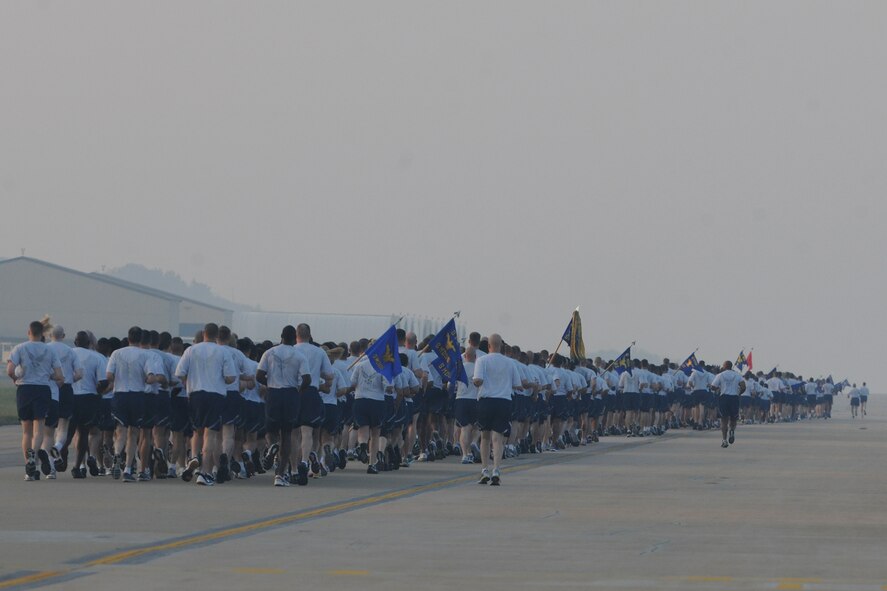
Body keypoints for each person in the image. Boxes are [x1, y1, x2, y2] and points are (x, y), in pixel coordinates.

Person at [175, 323, 237, 486]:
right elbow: (231, 377)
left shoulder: (191, 350)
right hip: (215, 394)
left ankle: (195, 456)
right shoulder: (223, 351)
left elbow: (179, 373)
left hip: (195, 394)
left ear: (203, 333)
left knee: (197, 431)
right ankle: (205, 472)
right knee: (211, 434)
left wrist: (188, 383)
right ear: (217, 335)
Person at [6, 320, 63, 480]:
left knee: (26, 431)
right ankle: (34, 456)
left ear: (28, 332)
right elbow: (59, 375)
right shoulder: (49, 350)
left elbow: (10, 369)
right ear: (42, 333)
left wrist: (15, 378)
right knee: (39, 429)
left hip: (24, 389)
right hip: (42, 389)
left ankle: (28, 469)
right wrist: (48, 375)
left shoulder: (19, 348)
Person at [255, 325, 310, 487]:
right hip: (290, 394)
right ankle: (280, 474)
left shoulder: (269, 352)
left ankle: (272, 445)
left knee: (271, 429)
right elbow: (307, 379)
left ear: (281, 336)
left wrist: (270, 383)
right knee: (287, 435)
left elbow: (259, 375)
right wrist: (298, 390)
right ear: (294, 338)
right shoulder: (299, 355)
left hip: (273, 393)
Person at [106, 326, 161, 482]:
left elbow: (109, 375)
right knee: (134, 433)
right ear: (140, 338)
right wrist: (148, 379)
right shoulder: (146, 355)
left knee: (120, 430)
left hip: (120, 394)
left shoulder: (117, 353)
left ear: (128, 337)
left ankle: (117, 454)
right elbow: (151, 377)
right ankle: (128, 469)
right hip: (137, 396)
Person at [473, 333, 520, 486]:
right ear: (501, 346)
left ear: (488, 346)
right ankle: (496, 470)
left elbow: (477, 380)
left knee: (485, 437)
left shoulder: (481, 360)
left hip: (486, 401)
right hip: (504, 401)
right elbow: (517, 384)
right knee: (497, 438)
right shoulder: (510, 362)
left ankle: (484, 469)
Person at [293, 324, 333, 480]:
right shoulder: (319, 352)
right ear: (310, 335)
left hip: (293, 392)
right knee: (308, 432)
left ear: (296, 335)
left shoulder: (292, 350)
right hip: (311, 392)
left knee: (293, 433)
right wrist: (324, 385)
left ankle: (294, 468)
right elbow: (329, 376)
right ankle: (305, 461)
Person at [71, 331, 107, 478]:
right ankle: (92, 455)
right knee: (95, 432)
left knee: (77, 433)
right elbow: (103, 381)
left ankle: (80, 463)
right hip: (91, 397)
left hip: (72, 396)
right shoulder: (98, 357)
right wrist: (99, 392)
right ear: (91, 343)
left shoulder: (70, 353)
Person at [710, 360, 745, 448]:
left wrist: (716, 388)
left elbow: (713, 386)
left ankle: (724, 440)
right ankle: (732, 430)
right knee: (733, 418)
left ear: (724, 366)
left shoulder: (720, 375)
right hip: (734, 397)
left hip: (724, 397)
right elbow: (743, 386)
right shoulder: (737, 375)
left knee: (724, 419)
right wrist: (739, 393)